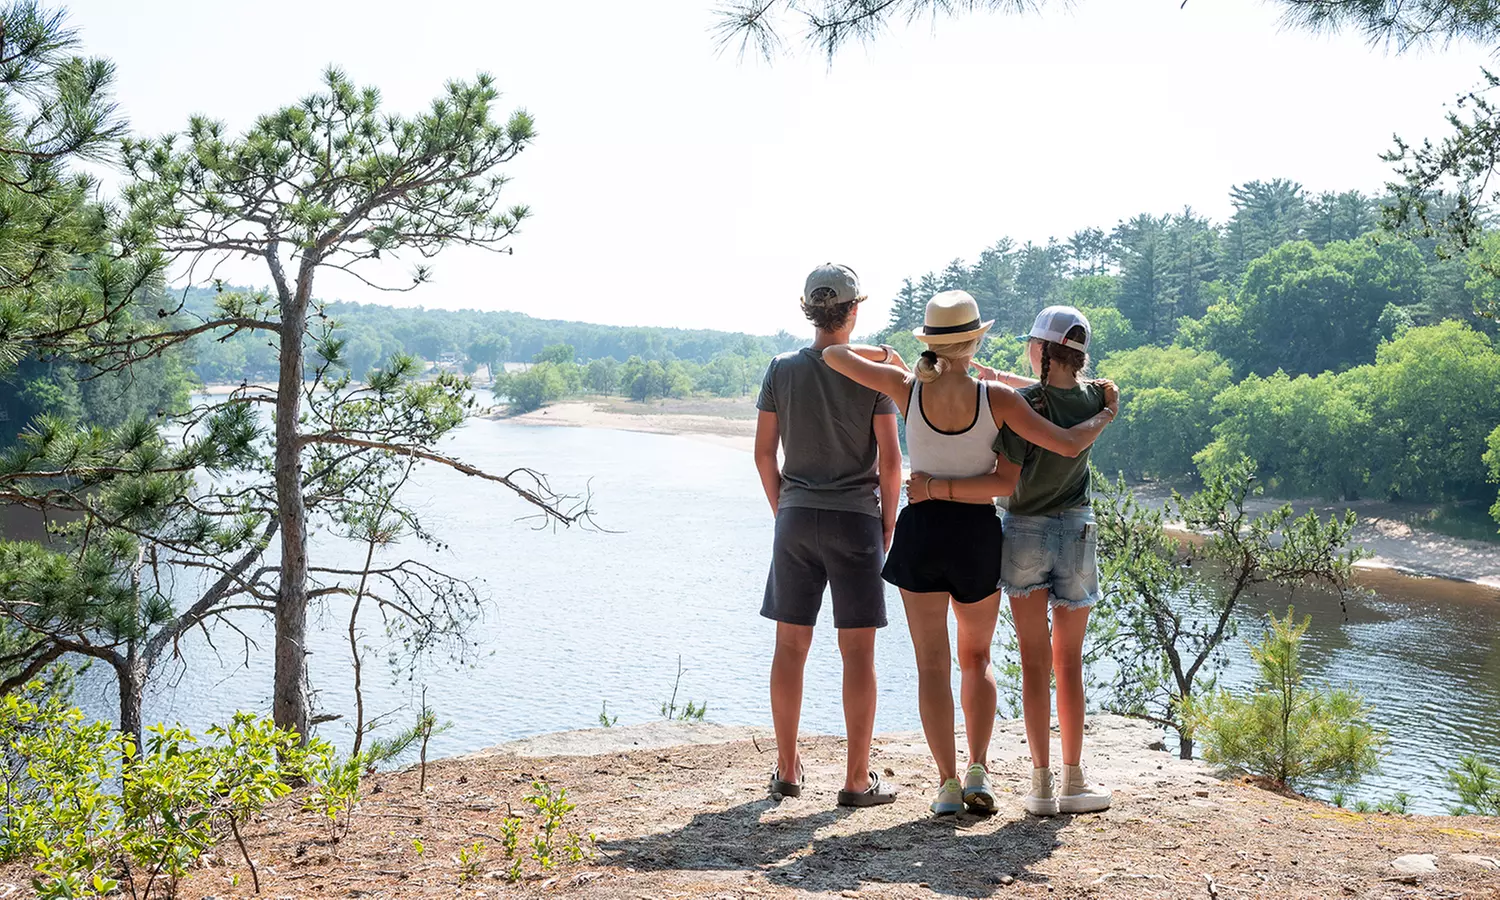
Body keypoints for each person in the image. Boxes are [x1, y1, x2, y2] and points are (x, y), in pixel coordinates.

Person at [822, 291, 1118, 815]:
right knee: (976, 658)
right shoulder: (997, 398)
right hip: (977, 535)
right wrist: (1105, 408)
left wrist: (891, 356)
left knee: (931, 665)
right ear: (976, 340)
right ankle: (979, 768)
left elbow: (833, 355)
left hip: (921, 532)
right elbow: (1060, 440)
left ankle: (947, 784)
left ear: (932, 342)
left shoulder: (905, 387)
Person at [754, 263, 901, 808]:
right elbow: (891, 461)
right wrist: (888, 523)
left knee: (790, 647)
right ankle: (856, 780)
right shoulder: (872, 373)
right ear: (854, 310)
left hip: (796, 518)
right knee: (857, 653)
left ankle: (787, 769)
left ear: (808, 310)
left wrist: (784, 510)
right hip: (856, 521)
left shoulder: (782, 368)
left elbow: (764, 454)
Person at [964, 305, 1115, 816]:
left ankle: (1041, 786)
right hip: (1077, 531)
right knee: (1069, 663)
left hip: (1024, 531)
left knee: (1034, 664)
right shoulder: (1097, 398)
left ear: (1039, 349)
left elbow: (1008, 458)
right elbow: (1064, 389)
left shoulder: (1022, 407)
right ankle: (1074, 780)